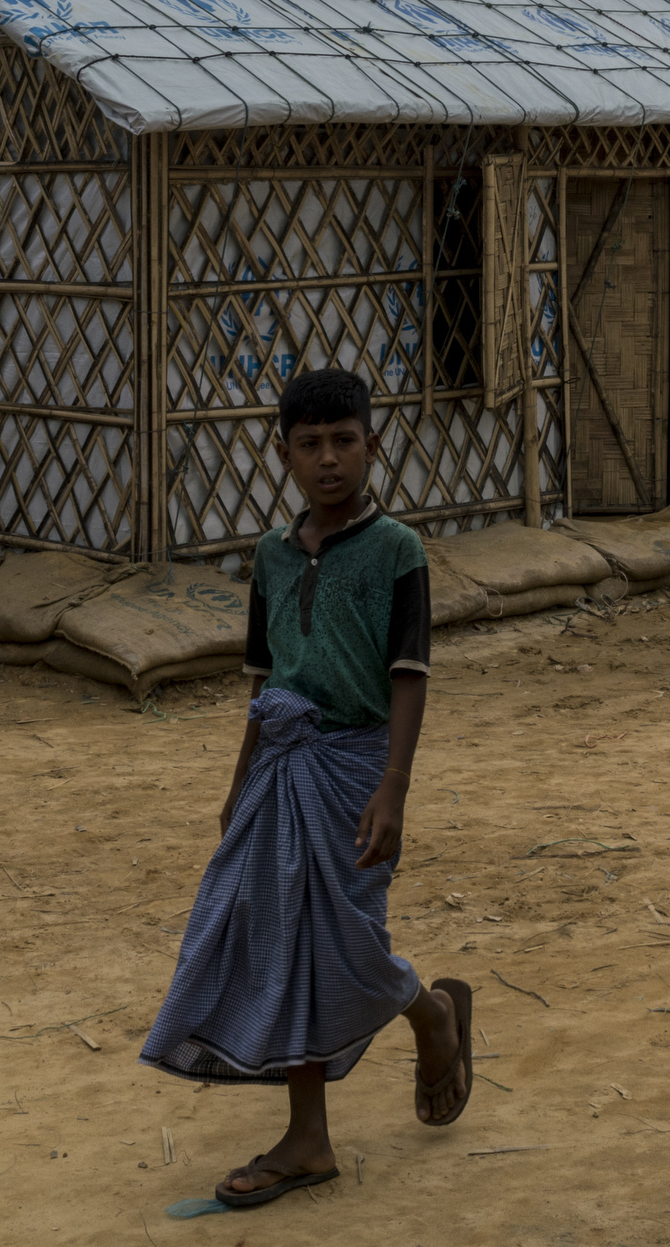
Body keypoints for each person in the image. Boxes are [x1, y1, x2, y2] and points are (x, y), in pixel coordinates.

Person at [140, 365, 472, 1210]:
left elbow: (410, 675)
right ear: (282, 453)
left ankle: (430, 1014)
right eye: (310, 444)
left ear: (372, 443)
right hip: (280, 767)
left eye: (344, 441)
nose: (329, 459)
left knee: (354, 940)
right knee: (285, 942)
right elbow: (263, 679)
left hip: (358, 767)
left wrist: (393, 785)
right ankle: (308, 1136)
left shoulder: (397, 549)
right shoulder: (272, 557)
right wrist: (239, 780)